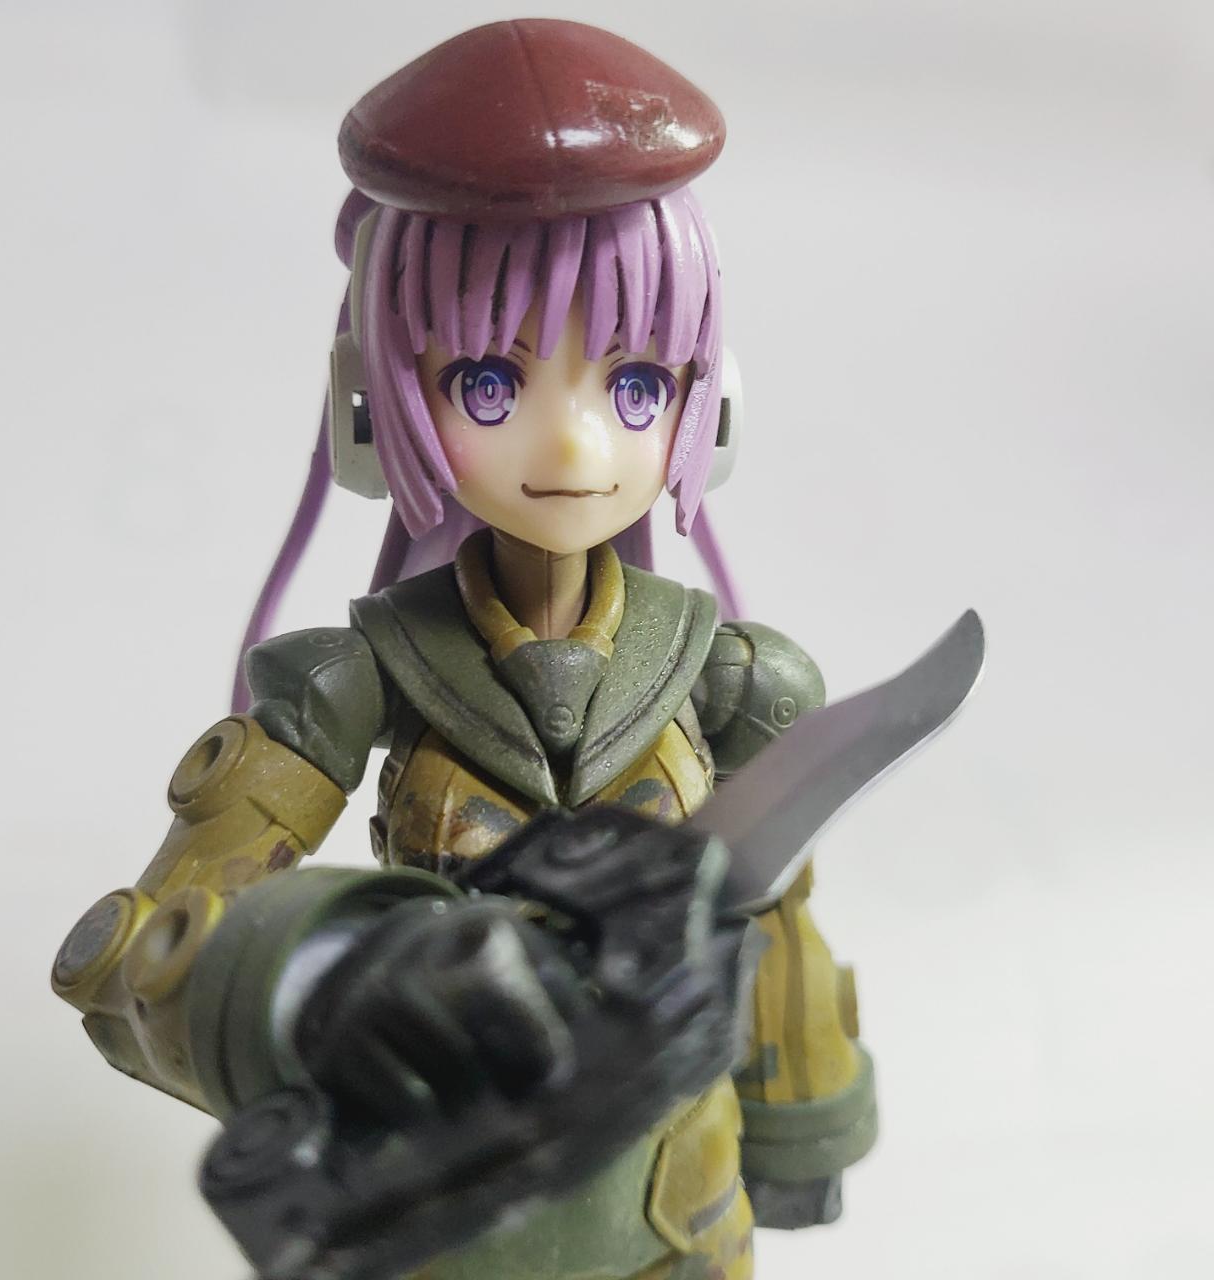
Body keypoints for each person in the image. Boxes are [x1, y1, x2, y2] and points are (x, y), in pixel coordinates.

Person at [52, 21, 875, 1280]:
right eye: (488, 383)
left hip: (675, 1214)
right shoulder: (351, 681)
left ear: (712, 407)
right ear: (369, 407)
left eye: (638, 386)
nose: (575, 448)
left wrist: (801, 1123)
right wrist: (335, 975)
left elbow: (772, 929)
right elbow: (145, 955)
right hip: (453, 1225)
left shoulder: (731, 682)